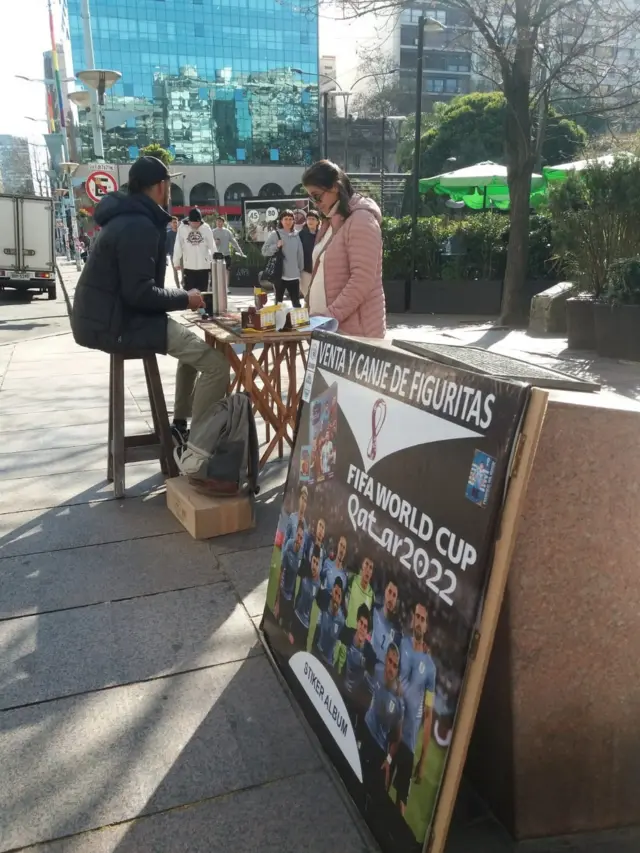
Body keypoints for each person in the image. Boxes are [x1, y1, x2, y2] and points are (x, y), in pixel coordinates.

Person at [71, 156, 228, 448]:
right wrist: (186, 298)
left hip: (110, 317)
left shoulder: (127, 218)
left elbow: (136, 289)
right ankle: (199, 448)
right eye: (168, 185)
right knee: (217, 366)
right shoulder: (137, 225)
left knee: (193, 351)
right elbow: (140, 293)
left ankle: (179, 427)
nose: (169, 191)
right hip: (118, 322)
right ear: (160, 186)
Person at [302, 159, 386, 337]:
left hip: (354, 334)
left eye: (317, 196)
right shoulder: (330, 222)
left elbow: (362, 280)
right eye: (311, 198)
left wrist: (329, 317)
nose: (316, 203)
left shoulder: (361, 219)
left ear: (334, 187)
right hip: (329, 331)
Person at [392, 602, 436, 816]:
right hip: (390, 733)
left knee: (401, 802)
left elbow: (428, 715)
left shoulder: (430, 668)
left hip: (408, 744)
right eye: (416, 617)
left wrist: (423, 759)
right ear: (412, 620)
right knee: (378, 786)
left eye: (422, 619)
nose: (418, 622)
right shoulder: (401, 644)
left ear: (426, 626)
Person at [261, 209, 304, 306]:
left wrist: (300, 270)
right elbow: (264, 251)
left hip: (294, 276)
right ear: (281, 220)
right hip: (280, 275)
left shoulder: (296, 235)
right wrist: (276, 246)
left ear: (293, 221)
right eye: (286, 219)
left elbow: (300, 254)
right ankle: (279, 321)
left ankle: (296, 321)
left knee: (296, 303)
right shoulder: (275, 234)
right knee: (278, 303)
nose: (288, 222)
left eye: (290, 219)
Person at [274, 520, 305, 634]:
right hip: (282, 592)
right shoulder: (289, 545)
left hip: (291, 597)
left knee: (285, 631)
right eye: (298, 535)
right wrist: (277, 602)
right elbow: (281, 571)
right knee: (274, 624)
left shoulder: (301, 555)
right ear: (295, 534)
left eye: (301, 538)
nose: (299, 539)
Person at [173, 207, 215, 292]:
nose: (196, 225)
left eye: (198, 223)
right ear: (189, 221)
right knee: (189, 292)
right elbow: (178, 245)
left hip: (203, 266)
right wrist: (176, 261)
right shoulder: (182, 228)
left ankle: (203, 305)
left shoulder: (206, 228)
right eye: (194, 223)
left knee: (203, 292)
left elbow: (212, 245)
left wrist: (215, 261)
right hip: (189, 267)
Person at [290, 545, 322, 647]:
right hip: (296, 617)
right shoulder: (304, 571)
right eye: (314, 562)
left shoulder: (318, 584)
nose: (314, 566)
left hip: (306, 625)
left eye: (317, 564)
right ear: (311, 560)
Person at [313, 577, 346, 667]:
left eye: (339, 596)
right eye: (335, 593)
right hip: (317, 651)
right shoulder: (324, 603)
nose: (336, 598)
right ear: (332, 591)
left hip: (328, 662)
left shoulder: (341, 621)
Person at [298, 210, 320, 299]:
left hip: (319, 269)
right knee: (307, 296)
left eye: (313, 219)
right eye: (309, 219)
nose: (310, 221)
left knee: (318, 296)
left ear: (318, 221)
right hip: (305, 270)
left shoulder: (321, 234)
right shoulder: (301, 234)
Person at [165, 216, 180, 287]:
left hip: (182, 255)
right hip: (173, 255)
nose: (175, 224)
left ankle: (184, 284)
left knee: (184, 272)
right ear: (170, 224)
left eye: (176, 222)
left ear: (178, 223)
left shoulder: (181, 233)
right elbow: (166, 245)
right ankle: (178, 287)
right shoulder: (168, 234)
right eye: (173, 222)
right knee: (175, 272)